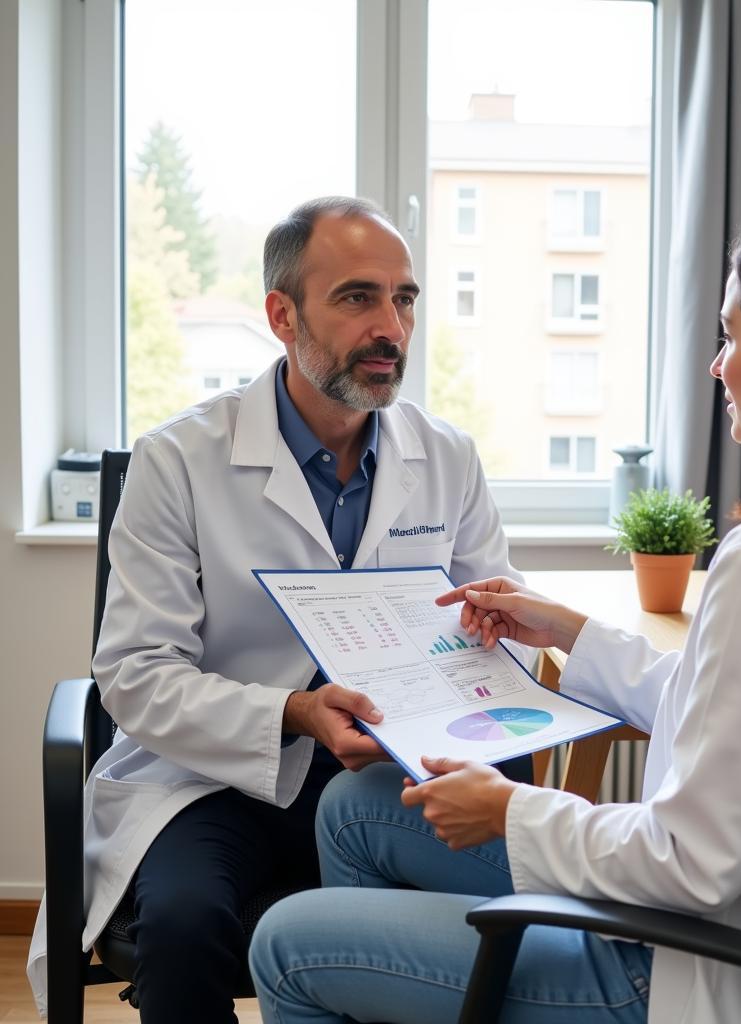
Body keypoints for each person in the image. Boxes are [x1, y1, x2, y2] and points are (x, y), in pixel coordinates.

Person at [245, 210, 741, 1024]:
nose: (717, 365)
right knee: (357, 808)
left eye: (730, 334)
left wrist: (511, 808)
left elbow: (692, 863)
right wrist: (570, 632)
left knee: (287, 943)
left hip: (695, 962)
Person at [26, 196, 532, 1021]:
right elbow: (135, 675)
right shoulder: (179, 461)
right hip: (217, 777)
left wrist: (489, 640)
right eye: (358, 297)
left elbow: (493, 635)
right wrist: (294, 712)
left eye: (404, 299)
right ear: (280, 314)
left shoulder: (447, 457)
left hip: (396, 779)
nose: (392, 328)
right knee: (185, 928)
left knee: (476, 930)